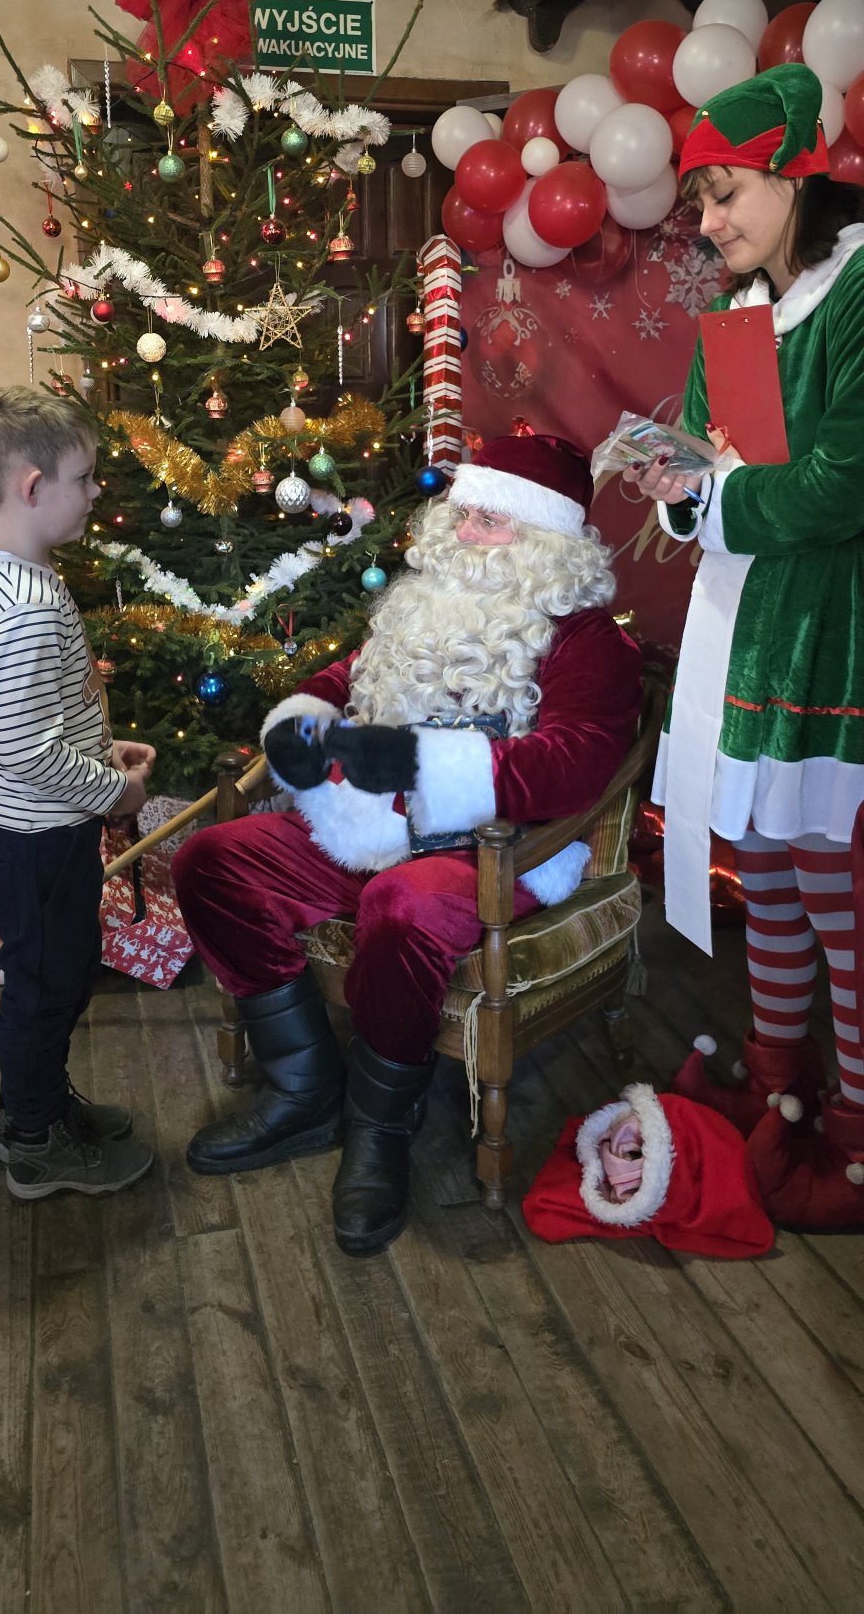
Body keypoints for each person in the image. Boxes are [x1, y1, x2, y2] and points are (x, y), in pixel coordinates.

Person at [173, 433, 642, 1256]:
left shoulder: (586, 638)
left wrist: (419, 764)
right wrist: (300, 724)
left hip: (497, 851)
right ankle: (304, 1089)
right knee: (210, 861)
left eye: (493, 519)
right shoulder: (427, 601)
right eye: (465, 513)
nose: (467, 531)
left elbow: (577, 765)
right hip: (373, 826)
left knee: (403, 906)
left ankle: (378, 1126)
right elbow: (348, 677)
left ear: (547, 539)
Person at [629, 63, 864, 1226]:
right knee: (762, 866)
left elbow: (843, 480)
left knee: (833, 882)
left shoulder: (859, 288)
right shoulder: (734, 316)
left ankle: (856, 1126)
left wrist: (717, 500)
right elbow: (697, 453)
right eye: (701, 203)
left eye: (725, 195)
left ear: (794, 175)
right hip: (746, 632)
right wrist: (677, 487)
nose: (711, 223)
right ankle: (781, 1083)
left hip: (833, 626)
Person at [0, 387, 155, 1202]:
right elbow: (25, 751)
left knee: (58, 972)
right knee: (46, 988)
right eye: (86, 477)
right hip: (33, 836)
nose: (96, 491)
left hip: (31, 824)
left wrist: (99, 750)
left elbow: (30, 720)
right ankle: (33, 1140)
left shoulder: (10, 569)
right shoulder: (23, 609)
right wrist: (115, 790)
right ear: (33, 486)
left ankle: (41, 1105)